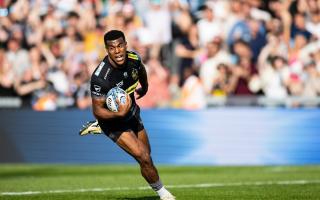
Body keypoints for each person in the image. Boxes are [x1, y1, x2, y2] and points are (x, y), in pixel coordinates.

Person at [79, 30, 175, 200]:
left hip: (131, 113)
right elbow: (97, 110)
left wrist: (144, 87)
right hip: (112, 122)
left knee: (147, 156)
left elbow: (141, 71)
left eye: (120, 46)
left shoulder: (134, 59)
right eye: (112, 48)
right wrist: (118, 114)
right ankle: (164, 195)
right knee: (143, 157)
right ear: (107, 50)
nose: (117, 51)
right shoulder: (100, 77)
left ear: (125, 45)